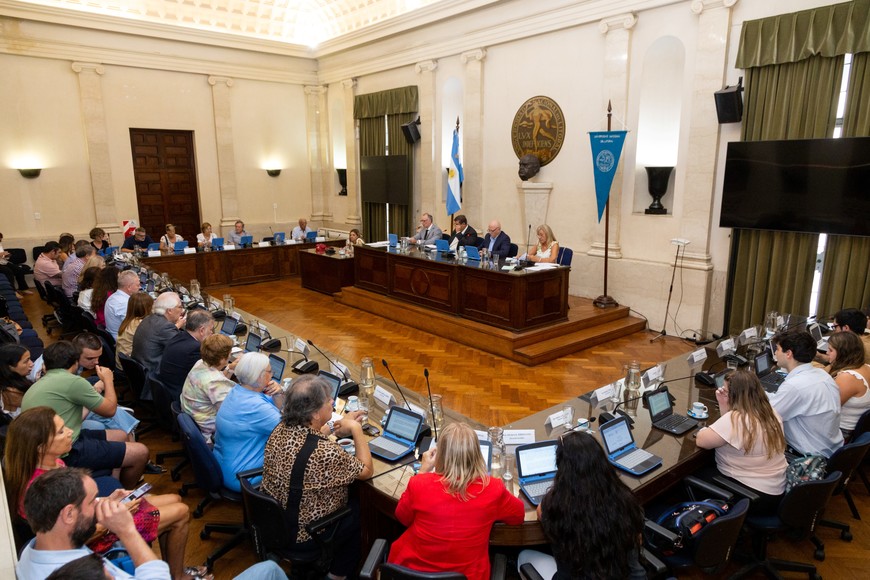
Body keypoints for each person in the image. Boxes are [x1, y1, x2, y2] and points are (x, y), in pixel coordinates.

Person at [4, 408, 199, 580]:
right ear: (41, 447)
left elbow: (71, 516)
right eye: (62, 431)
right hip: (96, 532)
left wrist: (106, 500)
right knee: (180, 511)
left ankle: (174, 570)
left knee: (175, 498)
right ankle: (177, 575)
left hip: (93, 520)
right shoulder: (38, 488)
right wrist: (116, 520)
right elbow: (73, 534)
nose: (71, 432)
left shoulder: (51, 464)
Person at [261, 374, 373, 580]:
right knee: (362, 510)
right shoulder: (325, 452)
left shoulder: (280, 428)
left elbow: (307, 438)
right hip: (304, 533)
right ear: (314, 413)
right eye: (327, 400)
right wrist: (356, 430)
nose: (332, 401)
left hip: (276, 522)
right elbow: (365, 471)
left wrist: (333, 426)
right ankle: (336, 575)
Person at [388, 423, 523, 580]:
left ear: (440, 454)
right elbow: (518, 515)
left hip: (409, 574)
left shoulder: (419, 483)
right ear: (477, 455)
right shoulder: (493, 488)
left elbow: (402, 517)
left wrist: (423, 470)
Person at [20, 341, 150, 488]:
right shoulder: (72, 381)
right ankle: (126, 495)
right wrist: (108, 380)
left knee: (121, 435)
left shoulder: (39, 384)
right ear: (75, 363)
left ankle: (115, 480)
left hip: (53, 444)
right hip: (66, 450)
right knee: (141, 452)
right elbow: (110, 411)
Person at [517, 431, 645, 580]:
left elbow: (540, 512)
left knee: (523, 555)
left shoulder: (555, 506)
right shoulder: (625, 500)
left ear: (562, 468)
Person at [16, 468, 172, 579]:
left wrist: (105, 503)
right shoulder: (75, 574)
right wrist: (127, 531)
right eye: (93, 501)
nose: (99, 505)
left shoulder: (38, 545)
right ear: (69, 514)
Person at [696, 370, 788, 514]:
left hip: (754, 498)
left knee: (692, 476)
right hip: (776, 490)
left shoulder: (737, 419)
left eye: (726, 390)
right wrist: (725, 405)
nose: (722, 391)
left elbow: (702, 441)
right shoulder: (770, 411)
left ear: (735, 395)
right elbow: (731, 432)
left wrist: (702, 429)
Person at [213, 353, 284, 492]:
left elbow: (277, 407)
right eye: (270, 372)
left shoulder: (238, 390)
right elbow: (294, 434)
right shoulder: (256, 408)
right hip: (242, 476)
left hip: (222, 463)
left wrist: (278, 393)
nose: (272, 375)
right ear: (260, 376)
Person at [769, 330, 843, 457]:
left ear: (788, 354)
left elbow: (767, 417)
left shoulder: (795, 386)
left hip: (807, 456)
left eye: (777, 349)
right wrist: (761, 394)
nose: (775, 353)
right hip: (831, 448)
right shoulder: (822, 375)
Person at [180, 334, 237, 444]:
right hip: (208, 433)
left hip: (193, 419)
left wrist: (229, 368)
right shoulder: (215, 382)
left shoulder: (200, 363)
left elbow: (213, 385)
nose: (230, 356)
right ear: (221, 359)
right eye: (229, 354)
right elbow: (230, 412)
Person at [157, 309, 215, 401]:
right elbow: (208, 375)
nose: (212, 333)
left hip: (167, 388)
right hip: (178, 395)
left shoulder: (179, 336)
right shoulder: (195, 348)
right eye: (211, 330)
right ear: (202, 330)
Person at [826, 331, 870, 437]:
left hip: (842, 432)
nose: (827, 352)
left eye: (830, 350)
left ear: (843, 353)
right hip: (856, 429)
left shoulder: (848, 378)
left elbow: (827, 410)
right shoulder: (866, 367)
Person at [132, 292, 185, 375]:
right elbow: (182, 349)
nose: (182, 311)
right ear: (170, 310)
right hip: (153, 374)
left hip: (142, 369)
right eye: (180, 307)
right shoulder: (165, 327)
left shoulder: (149, 318)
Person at [116, 292, 154, 367]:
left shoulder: (129, 320)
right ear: (147, 308)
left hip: (121, 365)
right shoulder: (140, 324)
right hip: (128, 369)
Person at [0, 343, 34, 418]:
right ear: (10, 367)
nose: (32, 364)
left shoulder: (15, 381)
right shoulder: (13, 393)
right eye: (26, 361)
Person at [104, 270, 139, 339]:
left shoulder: (114, 296)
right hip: (122, 340)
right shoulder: (124, 303)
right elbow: (134, 328)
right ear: (129, 287)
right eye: (137, 285)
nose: (140, 287)